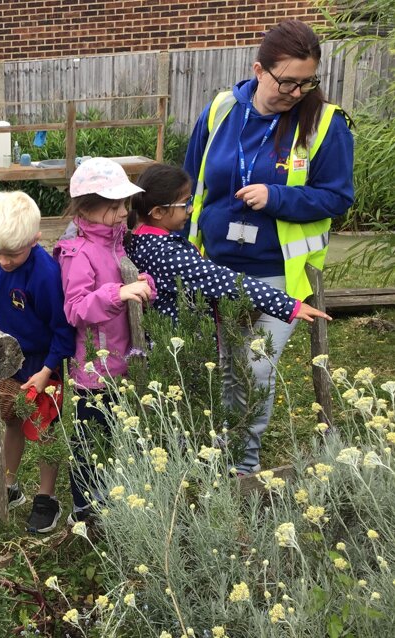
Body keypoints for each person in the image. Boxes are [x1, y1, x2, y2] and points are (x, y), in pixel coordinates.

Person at [184, 19, 353, 474]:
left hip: (277, 269)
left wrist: (275, 196)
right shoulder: (221, 110)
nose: (297, 92)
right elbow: (189, 182)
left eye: (306, 82)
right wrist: (179, 251)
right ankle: (223, 446)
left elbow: (338, 196)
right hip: (216, 264)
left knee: (256, 366)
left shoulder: (325, 123)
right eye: (287, 82)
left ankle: (246, 461)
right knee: (225, 363)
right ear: (258, 70)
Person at [0, 191, 75, 533]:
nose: (3, 261)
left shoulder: (45, 274)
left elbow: (62, 330)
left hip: (39, 361)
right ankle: (8, 483)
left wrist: (46, 371)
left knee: (45, 428)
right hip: (1, 354)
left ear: (35, 241)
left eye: (13, 254)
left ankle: (46, 497)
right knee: (12, 421)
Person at [54, 158, 154, 524]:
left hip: (122, 363)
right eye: (113, 207)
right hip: (93, 372)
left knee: (117, 437)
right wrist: (118, 292)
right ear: (86, 208)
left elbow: (124, 284)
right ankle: (84, 507)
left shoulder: (116, 245)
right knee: (89, 443)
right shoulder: (79, 252)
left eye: (124, 204)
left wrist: (142, 288)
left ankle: (113, 496)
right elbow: (76, 309)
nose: (123, 212)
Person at [129, 163, 332, 325]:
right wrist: (286, 305)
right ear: (157, 212)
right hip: (182, 354)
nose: (191, 210)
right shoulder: (166, 253)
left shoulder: (138, 240)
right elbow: (221, 280)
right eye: (185, 204)